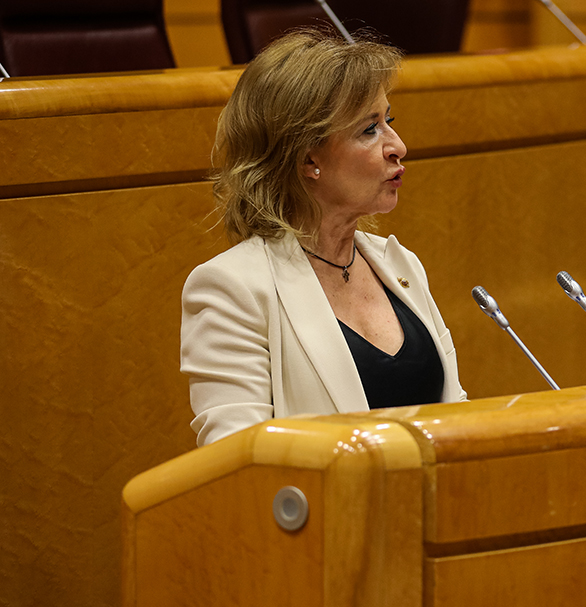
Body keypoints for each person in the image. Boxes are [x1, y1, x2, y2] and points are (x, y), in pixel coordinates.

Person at [181, 29, 467, 447]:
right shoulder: (234, 289)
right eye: (370, 129)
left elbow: (457, 415)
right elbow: (235, 458)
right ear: (308, 158)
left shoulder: (400, 266)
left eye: (390, 121)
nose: (398, 146)